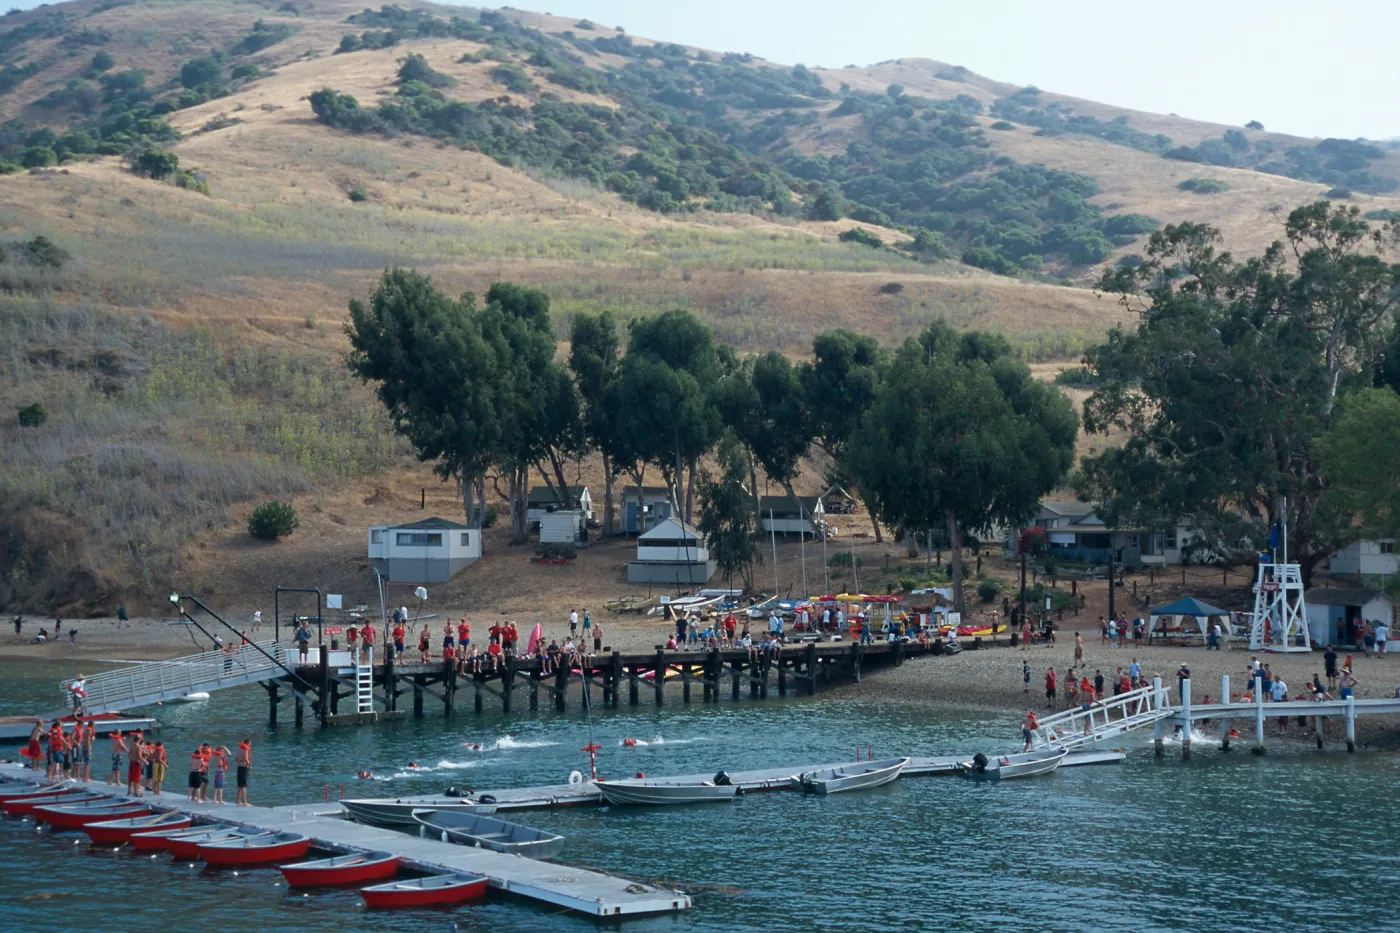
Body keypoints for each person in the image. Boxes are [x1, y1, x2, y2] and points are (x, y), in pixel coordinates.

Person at [126, 730, 145, 797]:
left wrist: (131, 759)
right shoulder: (138, 747)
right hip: (137, 763)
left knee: (131, 778)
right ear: (139, 739)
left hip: (131, 763)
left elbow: (129, 754)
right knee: (136, 778)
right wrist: (145, 761)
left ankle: (129, 791)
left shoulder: (132, 746)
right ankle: (136, 792)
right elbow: (139, 757)